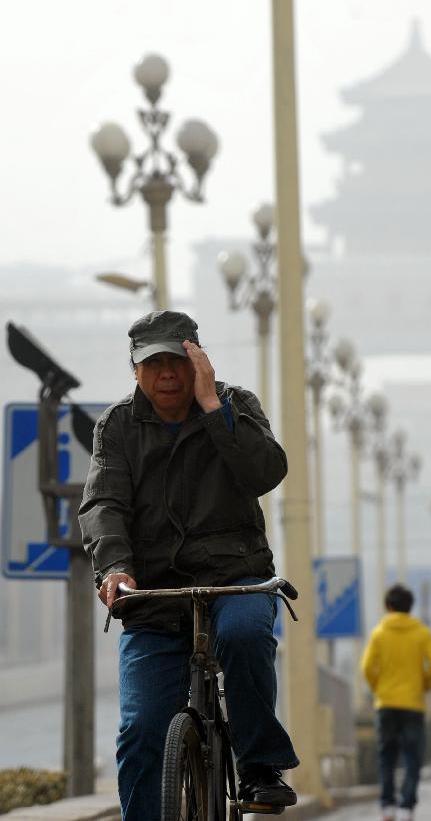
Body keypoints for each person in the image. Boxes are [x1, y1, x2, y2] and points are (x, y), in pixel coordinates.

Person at [78, 310, 298, 821]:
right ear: (135, 370)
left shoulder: (235, 406)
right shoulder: (117, 426)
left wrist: (212, 408)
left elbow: (265, 472)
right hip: (153, 593)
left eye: (177, 360)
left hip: (233, 578)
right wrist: (114, 568)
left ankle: (260, 767)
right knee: (141, 730)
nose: (167, 373)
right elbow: (103, 504)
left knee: (245, 637)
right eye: (153, 363)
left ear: (198, 360)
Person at [361, 583, 431, 821]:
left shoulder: (379, 633)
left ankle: (387, 805)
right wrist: (425, 684)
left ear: (388, 607)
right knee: (412, 756)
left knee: (387, 755)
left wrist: (379, 687)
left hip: (385, 703)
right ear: (410, 607)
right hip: (413, 704)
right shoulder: (422, 633)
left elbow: (366, 667)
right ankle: (407, 806)